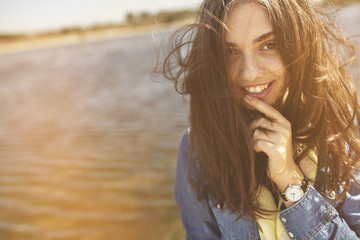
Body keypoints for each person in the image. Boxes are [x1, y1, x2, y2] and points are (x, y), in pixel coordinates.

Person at [160, 0, 360, 239]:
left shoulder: (342, 127)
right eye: (230, 51)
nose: (249, 73)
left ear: (300, 41)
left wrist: (290, 180)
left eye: (269, 45)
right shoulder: (198, 147)